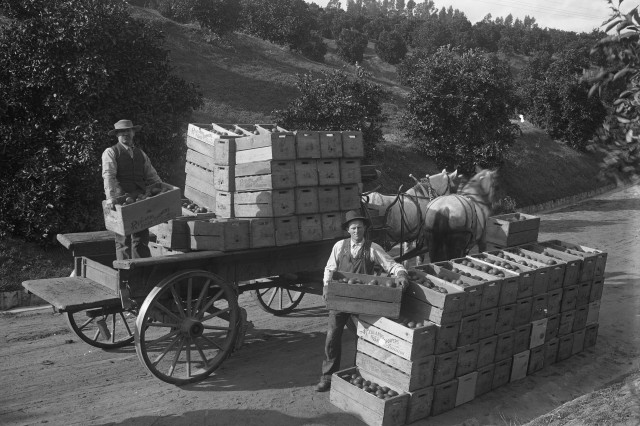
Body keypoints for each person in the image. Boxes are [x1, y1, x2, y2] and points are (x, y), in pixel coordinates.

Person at [314, 210, 410, 392]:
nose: (356, 231)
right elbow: (329, 268)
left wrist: (401, 274)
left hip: (363, 301)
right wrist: (326, 286)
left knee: (364, 337)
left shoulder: (373, 248)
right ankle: (327, 377)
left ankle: (362, 373)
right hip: (341, 299)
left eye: (359, 227)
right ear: (348, 230)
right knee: (332, 337)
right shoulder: (339, 247)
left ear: (365, 229)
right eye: (353, 228)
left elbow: (391, 264)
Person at [102, 119, 163, 260]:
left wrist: (162, 188)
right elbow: (108, 176)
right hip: (120, 201)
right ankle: (125, 276)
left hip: (140, 200)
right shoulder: (111, 152)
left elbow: (152, 175)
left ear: (133, 132)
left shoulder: (140, 154)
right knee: (123, 241)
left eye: (128, 131)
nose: (125, 134)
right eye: (121, 132)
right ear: (117, 135)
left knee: (141, 239)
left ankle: (141, 273)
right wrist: (110, 198)